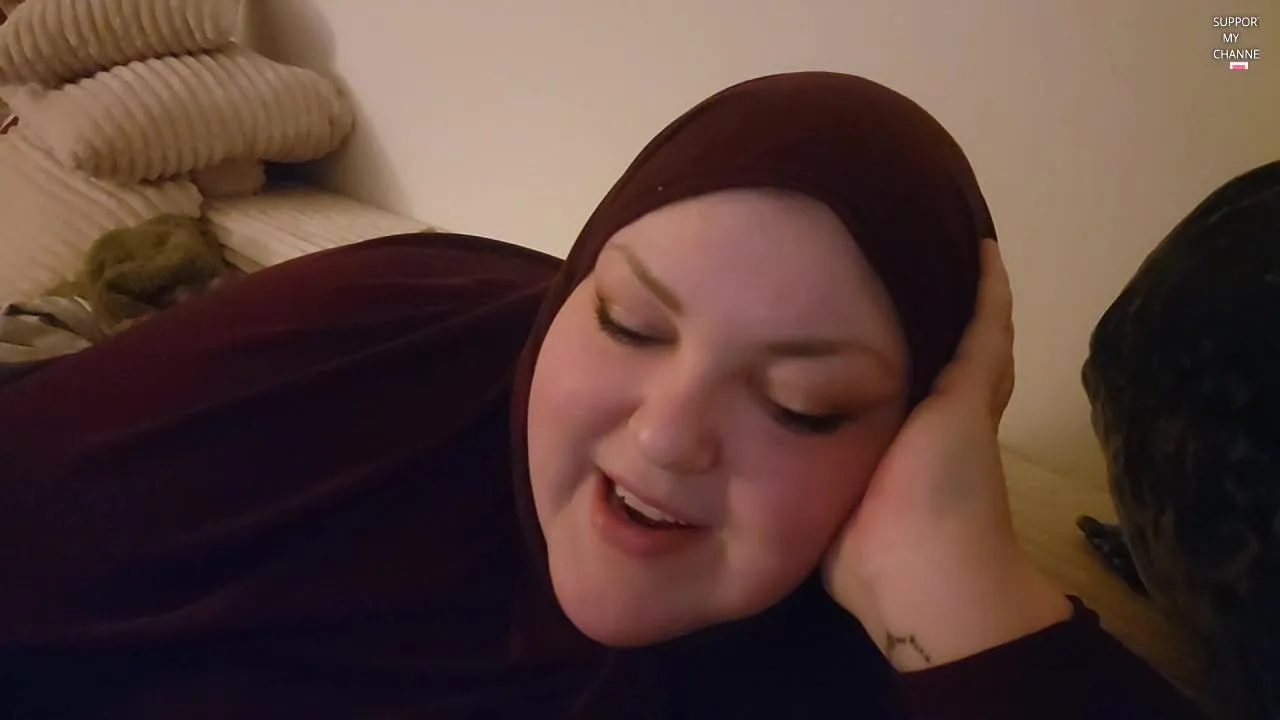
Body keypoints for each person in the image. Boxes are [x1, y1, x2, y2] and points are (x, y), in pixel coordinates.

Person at [0, 72, 1202, 718]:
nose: (667, 436)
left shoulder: (860, 662)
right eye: (627, 320)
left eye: (803, 404)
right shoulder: (349, 356)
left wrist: (964, 598)